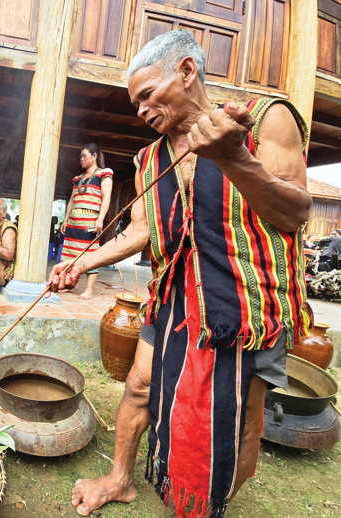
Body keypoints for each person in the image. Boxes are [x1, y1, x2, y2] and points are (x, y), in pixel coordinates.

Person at [47, 30, 311, 517]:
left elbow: (295, 212)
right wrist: (80, 262)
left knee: (237, 417)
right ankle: (120, 478)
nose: (142, 111)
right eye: (136, 103)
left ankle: (210, 501)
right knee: (140, 386)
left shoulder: (263, 120)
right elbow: (140, 231)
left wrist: (234, 157)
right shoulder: (150, 160)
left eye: (147, 95)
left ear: (187, 72)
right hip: (173, 299)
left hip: (244, 307)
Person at [59, 144, 114, 300]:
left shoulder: (104, 174)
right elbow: (71, 200)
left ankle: (89, 290)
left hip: (90, 222)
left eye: (85, 156)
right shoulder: (77, 179)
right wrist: (66, 219)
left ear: (94, 156)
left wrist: (100, 219)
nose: (81, 159)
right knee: (69, 254)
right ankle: (70, 285)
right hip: (73, 223)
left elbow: (106, 198)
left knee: (90, 254)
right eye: (80, 157)